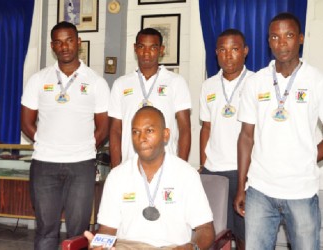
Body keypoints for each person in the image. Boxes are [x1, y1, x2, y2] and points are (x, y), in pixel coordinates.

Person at [234, 12, 323, 250]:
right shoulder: (256, 82)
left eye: (289, 35)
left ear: (301, 39)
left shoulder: (317, 81)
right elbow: (245, 137)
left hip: (301, 191)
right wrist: (241, 185)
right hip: (259, 191)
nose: (281, 43)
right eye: (274, 37)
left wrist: (306, 159)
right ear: (268, 41)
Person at [21, 21, 110, 250]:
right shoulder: (38, 79)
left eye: (69, 40)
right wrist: (45, 143)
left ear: (78, 42)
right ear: (52, 46)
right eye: (59, 42)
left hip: (81, 165)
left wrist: (85, 146)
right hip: (44, 164)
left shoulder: (96, 82)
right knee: (45, 230)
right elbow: (26, 122)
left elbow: (103, 126)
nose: (65, 46)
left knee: (78, 232)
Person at [85, 106, 215, 249]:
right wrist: (100, 245)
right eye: (136, 132)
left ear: (165, 135)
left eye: (149, 131)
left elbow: (205, 229)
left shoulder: (186, 174)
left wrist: (192, 247)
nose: (141, 138)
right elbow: (107, 230)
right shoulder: (117, 176)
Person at [199, 29, 253, 250]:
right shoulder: (208, 85)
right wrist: (203, 164)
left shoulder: (256, 83)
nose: (228, 55)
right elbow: (206, 127)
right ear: (216, 53)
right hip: (213, 171)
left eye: (234, 49)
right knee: (212, 234)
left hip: (245, 172)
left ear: (245, 52)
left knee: (244, 236)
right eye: (222, 50)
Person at [108, 28, 191, 168]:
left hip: (166, 166)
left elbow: (185, 129)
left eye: (153, 47)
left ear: (161, 50)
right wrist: (116, 168)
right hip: (130, 166)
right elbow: (115, 130)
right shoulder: (120, 84)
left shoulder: (176, 82)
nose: (146, 53)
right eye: (141, 47)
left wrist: (180, 167)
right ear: (135, 48)